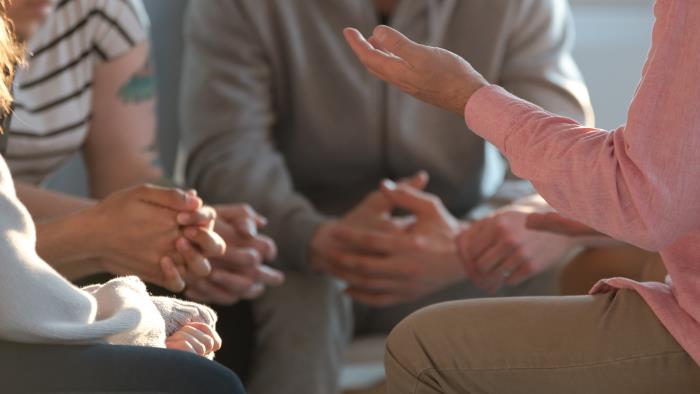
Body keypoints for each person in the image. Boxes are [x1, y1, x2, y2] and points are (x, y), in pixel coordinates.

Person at [180, 1, 593, 392]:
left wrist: (470, 241)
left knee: (597, 269)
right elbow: (226, 153)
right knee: (299, 300)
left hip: (460, 247)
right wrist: (313, 238)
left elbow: (563, 152)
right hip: (297, 252)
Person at [342, 0, 700, 390]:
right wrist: (314, 237)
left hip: (475, 240)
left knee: (421, 349)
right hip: (317, 249)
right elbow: (665, 190)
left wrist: (470, 98)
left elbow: (645, 196)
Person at [4, 0, 284, 379]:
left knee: (225, 313)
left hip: (22, 247)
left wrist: (182, 226)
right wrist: (98, 232)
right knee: (200, 379)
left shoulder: (102, 11)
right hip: (13, 258)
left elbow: (129, 172)